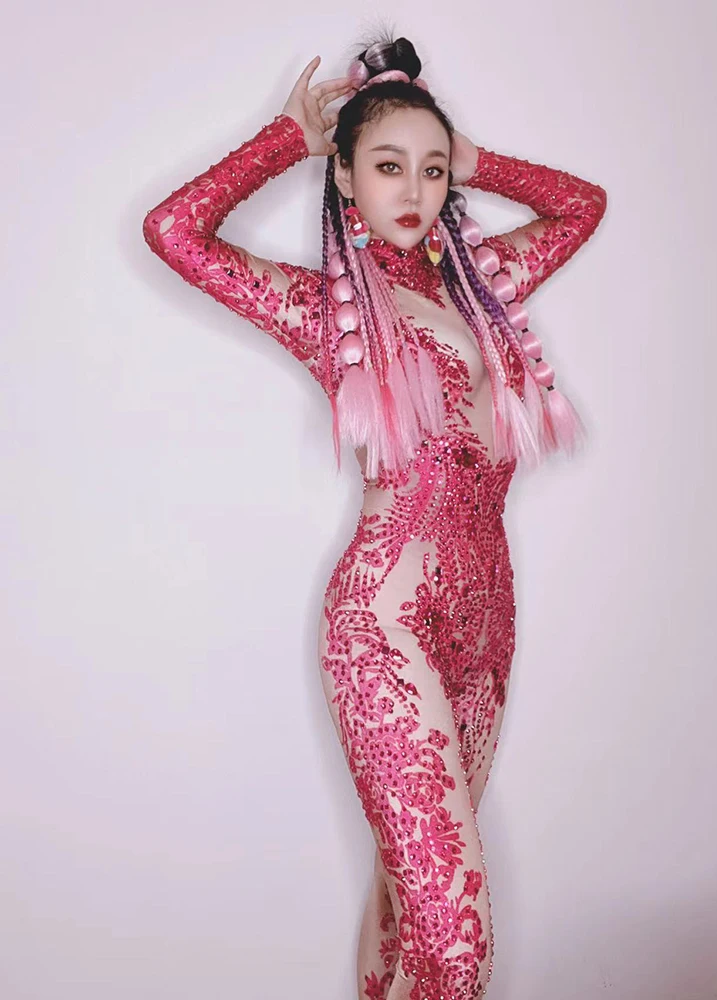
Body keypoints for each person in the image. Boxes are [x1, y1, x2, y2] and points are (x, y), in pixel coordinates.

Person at [142, 32, 607, 1000]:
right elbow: (174, 231)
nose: (416, 189)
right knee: (457, 943)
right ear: (347, 180)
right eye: (389, 165)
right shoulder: (327, 310)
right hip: (384, 624)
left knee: (409, 901)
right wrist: (282, 142)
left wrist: (475, 157)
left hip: (486, 621)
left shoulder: (485, 287)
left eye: (432, 171)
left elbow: (583, 205)